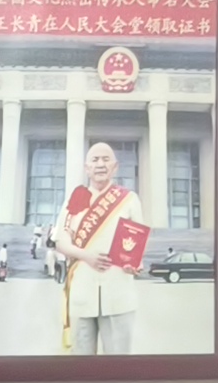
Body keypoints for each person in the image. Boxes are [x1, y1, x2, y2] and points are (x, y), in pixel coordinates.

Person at [48, 136, 146, 357]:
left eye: (106, 159)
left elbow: (138, 242)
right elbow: (61, 241)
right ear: (87, 167)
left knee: (119, 361)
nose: (100, 164)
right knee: (81, 363)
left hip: (118, 291)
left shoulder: (129, 199)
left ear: (115, 166)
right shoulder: (75, 198)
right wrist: (87, 256)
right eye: (95, 160)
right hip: (82, 289)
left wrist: (135, 264)